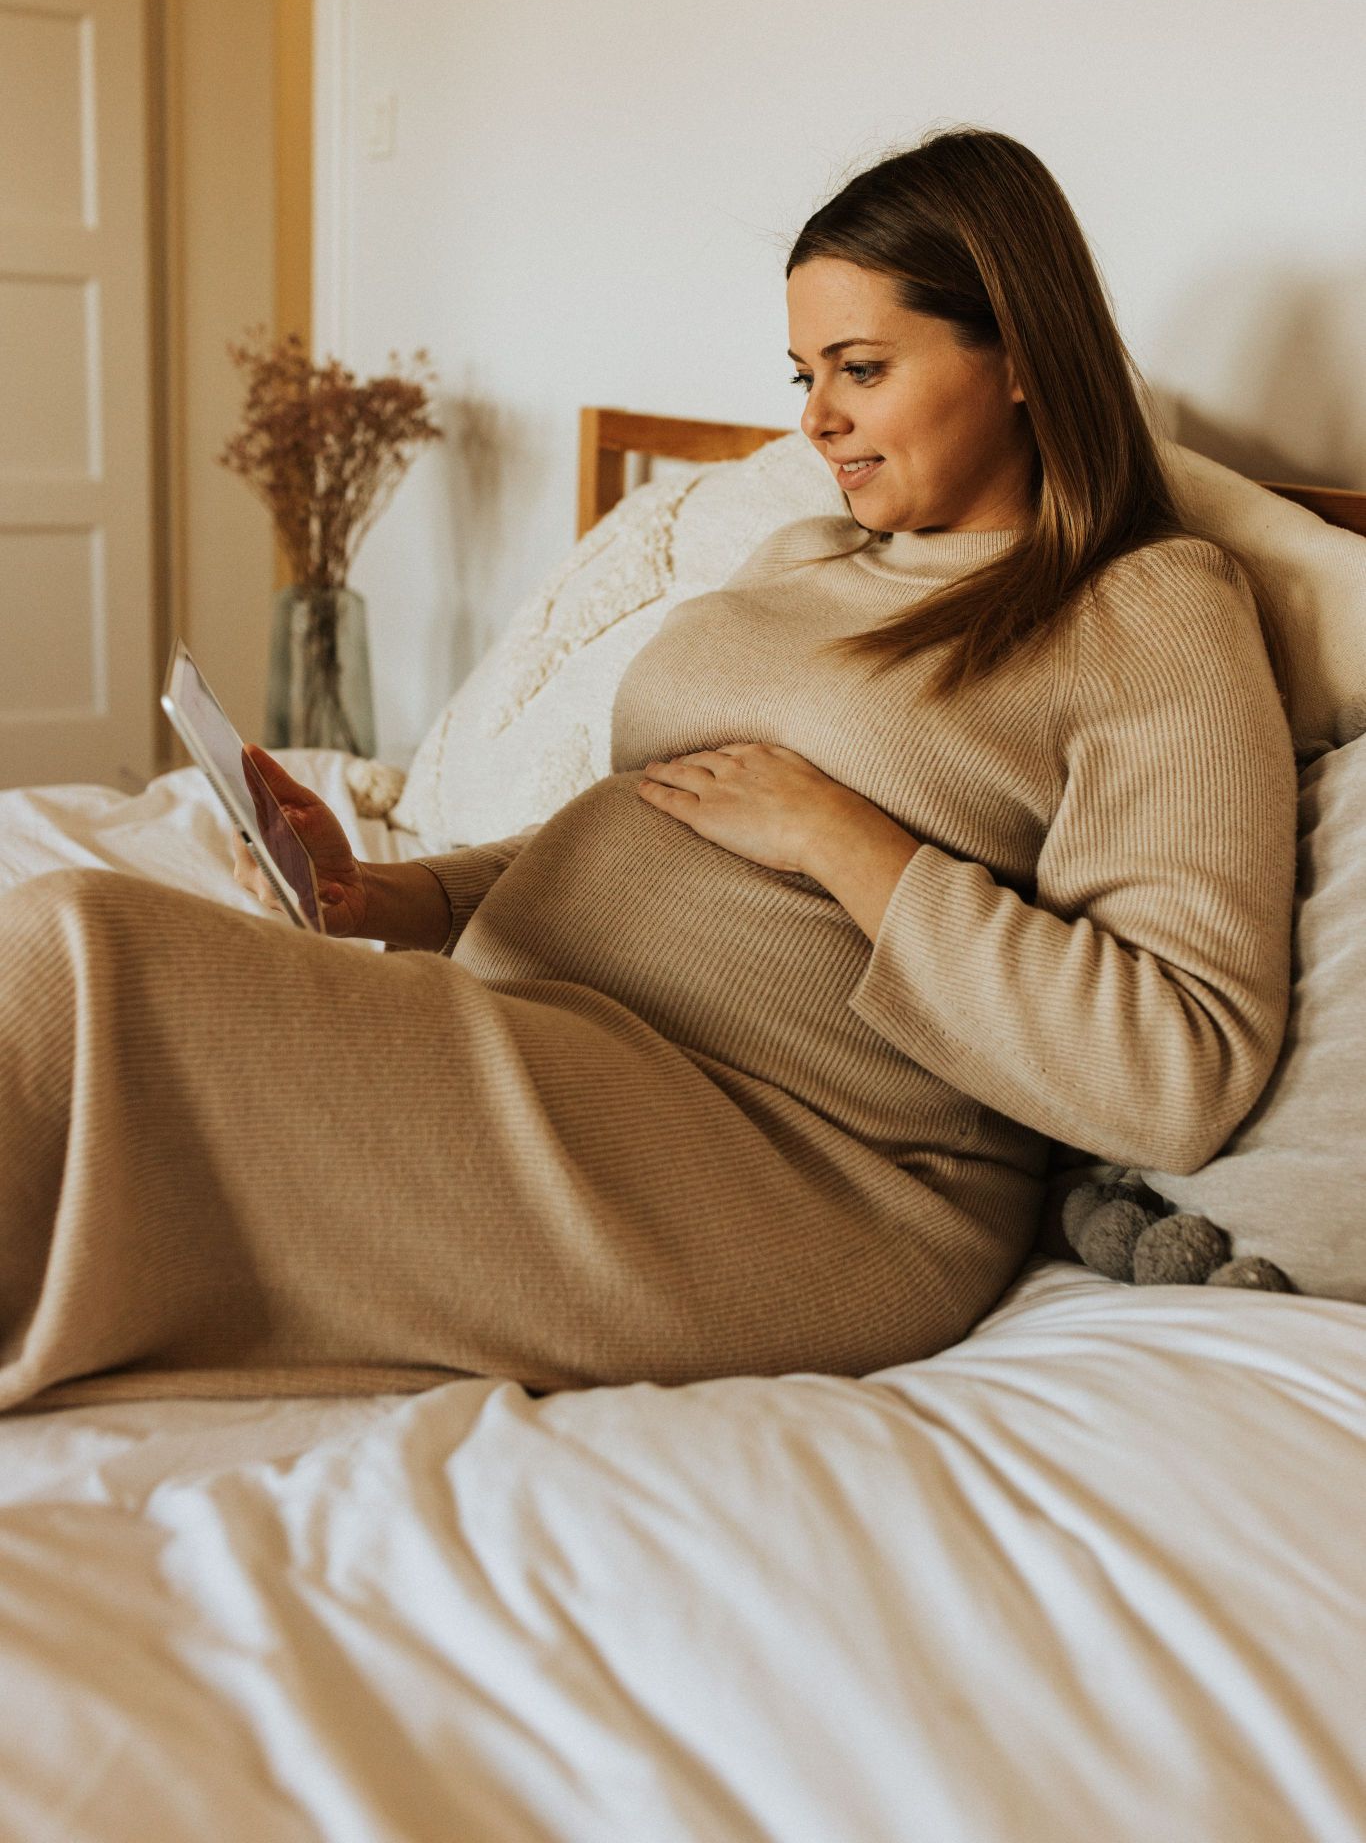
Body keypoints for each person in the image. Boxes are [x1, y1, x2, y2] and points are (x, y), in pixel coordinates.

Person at [0, 127, 1298, 1414]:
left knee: (86, 955)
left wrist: (844, 838)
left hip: (794, 1157)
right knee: (86, 979)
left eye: (858, 369)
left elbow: (1175, 1068)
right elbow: (662, 820)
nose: (816, 421)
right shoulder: (802, 556)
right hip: (545, 1035)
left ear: (1014, 355)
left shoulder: (1146, 609)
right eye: (800, 373)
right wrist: (392, 899)